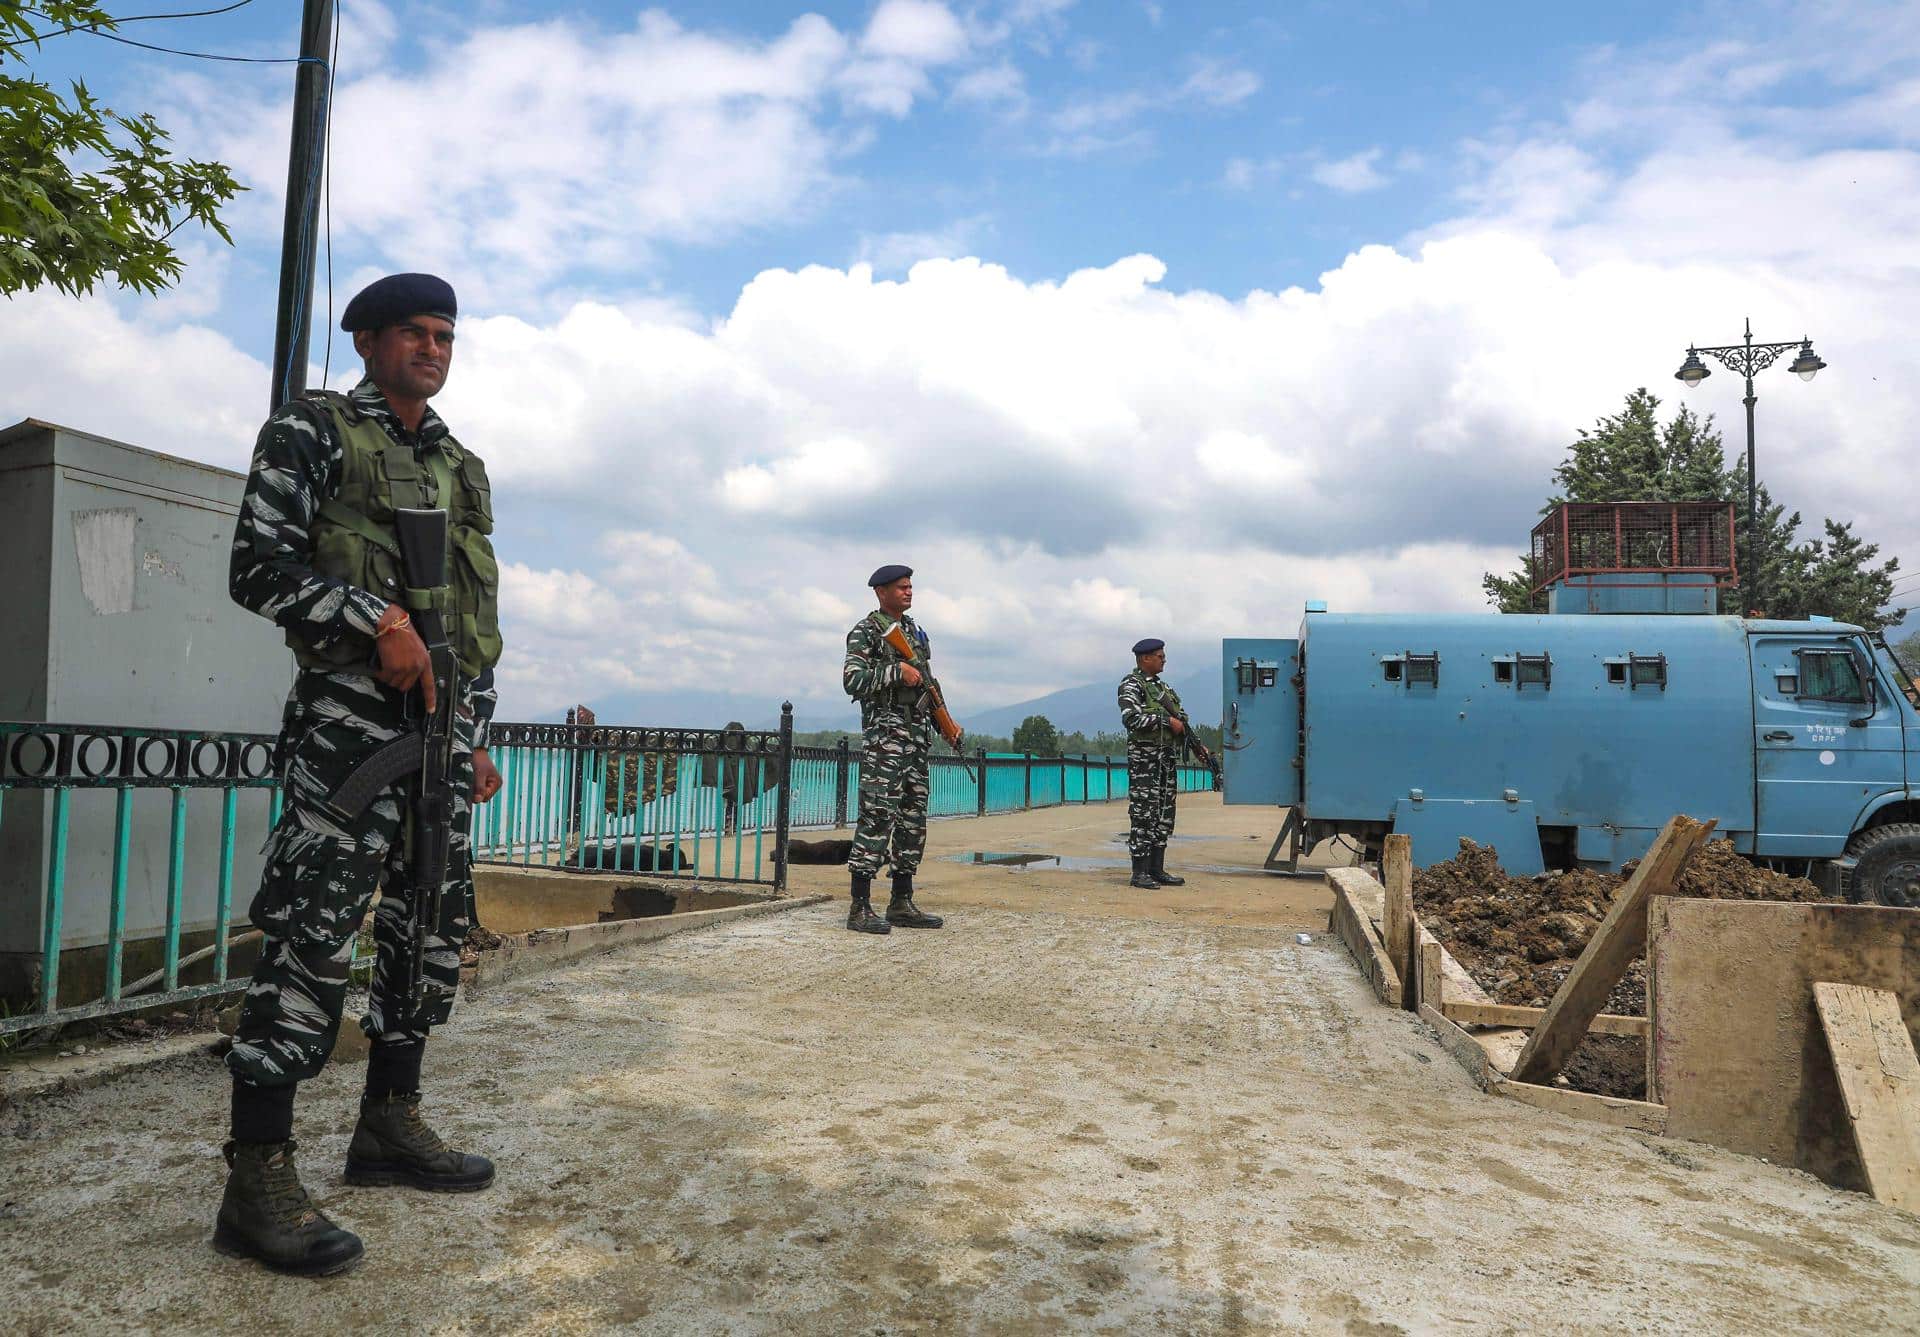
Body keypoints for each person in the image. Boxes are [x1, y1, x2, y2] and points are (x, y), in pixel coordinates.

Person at [218, 273, 505, 1276]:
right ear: (371, 341)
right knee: (310, 940)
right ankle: (255, 1178)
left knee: (427, 934)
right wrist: (368, 617)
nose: (433, 347)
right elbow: (256, 567)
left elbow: (469, 625)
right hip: (348, 735)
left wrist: (471, 731)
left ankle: (389, 1125)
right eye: (414, 333)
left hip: (438, 738)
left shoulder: (462, 465)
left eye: (445, 335)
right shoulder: (314, 431)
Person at [841, 565, 946, 934]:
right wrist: (895, 673)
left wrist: (944, 721)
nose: (909, 591)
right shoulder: (866, 631)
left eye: (911, 586)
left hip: (916, 739)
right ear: (880, 591)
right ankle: (859, 906)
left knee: (912, 820)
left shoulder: (915, 632)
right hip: (886, 739)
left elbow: (927, 680)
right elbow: (852, 680)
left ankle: (901, 901)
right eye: (901, 587)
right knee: (877, 816)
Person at [1118, 638, 1189, 890]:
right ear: (1145, 658)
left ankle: (1156, 869)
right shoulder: (1131, 685)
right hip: (1145, 760)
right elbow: (1132, 719)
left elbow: (1181, 717)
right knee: (1143, 814)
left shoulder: (1162, 688)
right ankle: (1139, 873)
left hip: (1165, 761)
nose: (1164, 659)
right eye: (1159, 656)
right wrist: (1166, 722)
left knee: (1164, 815)